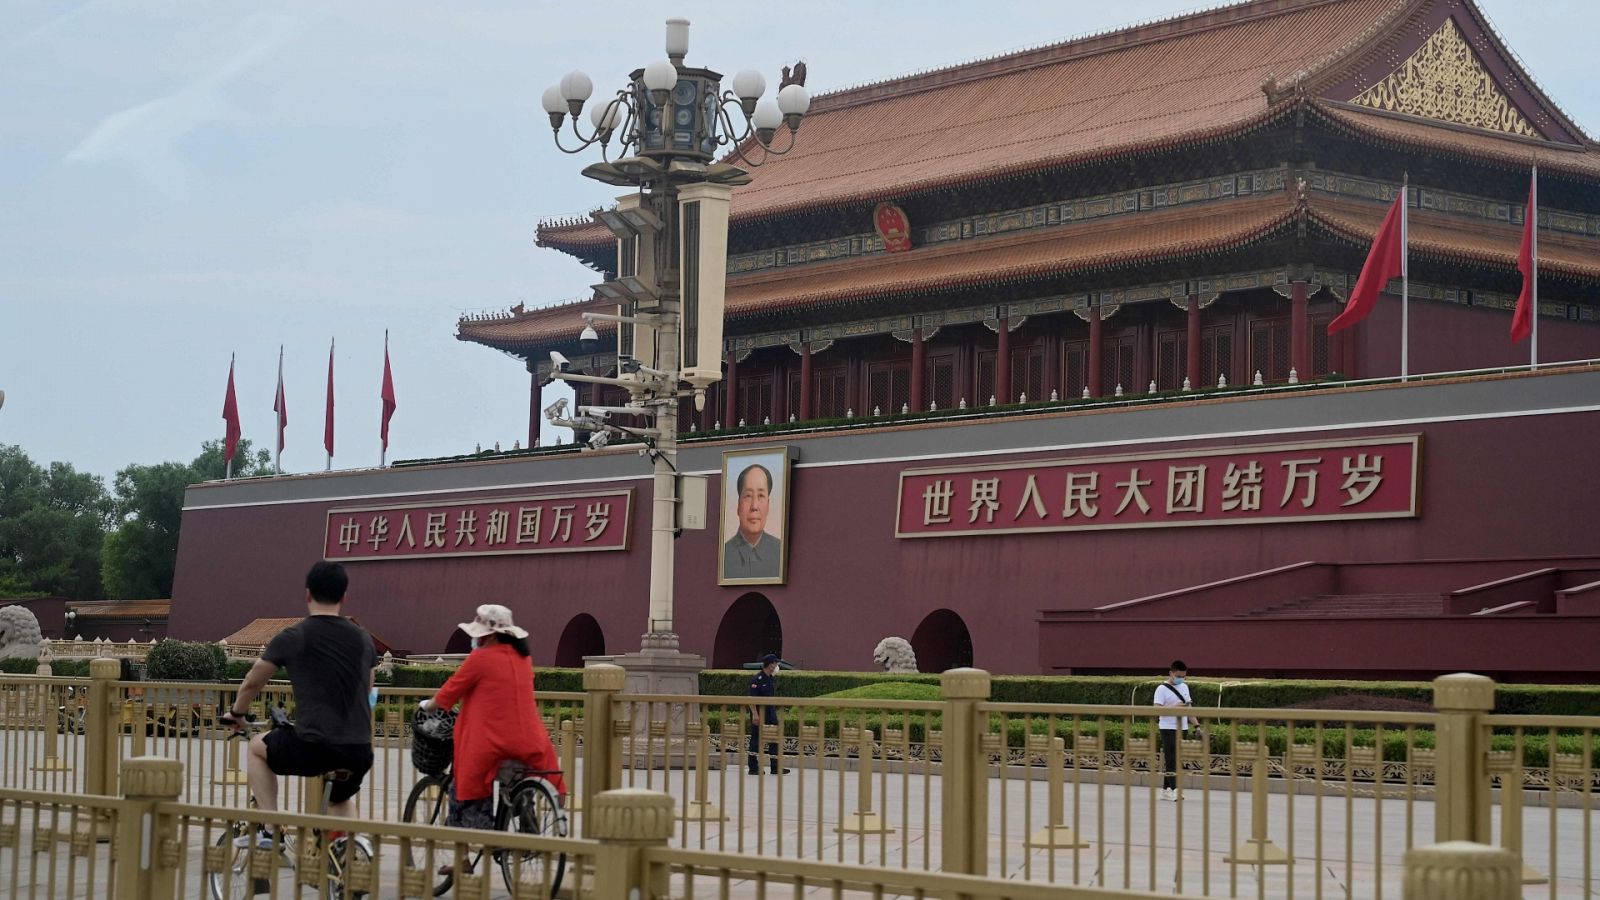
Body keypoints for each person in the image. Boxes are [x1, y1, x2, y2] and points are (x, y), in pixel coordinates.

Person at [223, 561, 376, 845]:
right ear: (344, 597)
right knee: (340, 800)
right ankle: (353, 856)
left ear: (307, 594)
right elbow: (367, 688)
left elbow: (254, 680)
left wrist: (237, 712)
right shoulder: (363, 639)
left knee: (258, 749)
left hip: (314, 745)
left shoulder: (295, 636)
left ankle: (271, 829)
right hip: (358, 748)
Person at [419, 604, 565, 835]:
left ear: (491, 634)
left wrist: (427, 705)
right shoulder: (523, 659)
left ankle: (466, 854)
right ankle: (526, 819)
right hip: (530, 744)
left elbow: (450, 691)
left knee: (463, 787)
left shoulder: (481, 658)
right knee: (514, 779)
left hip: (492, 745)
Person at [723, 464, 783, 579]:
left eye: (761, 496)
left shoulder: (780, 552)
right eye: (748, 496)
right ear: (738, 505)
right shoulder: (724, 555)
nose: (754, 506)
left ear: (768, 505)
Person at [1153, 659, 1196, 802]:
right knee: (1171, 759)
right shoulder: (1161, 689)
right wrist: (1174, 708)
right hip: (1167, 728)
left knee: (1178, 759)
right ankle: (1175, 789)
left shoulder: (1184, 687)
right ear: (1171, 673)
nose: (1181, 679)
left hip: (1182, 727)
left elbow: (1189, 709)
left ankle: (1165, 790)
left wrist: (1197, 726)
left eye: (1183, 676)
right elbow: (1156, 709)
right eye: (1178, 676)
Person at [745, 653, 788, 774]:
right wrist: (755, 714)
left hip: (770, 713)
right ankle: (753, 768)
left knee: (774, 740)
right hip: (760, 714)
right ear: (770, 665)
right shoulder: (757, 679)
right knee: (756, 741)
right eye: (775, 663)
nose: (777, 666)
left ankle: (775, 767)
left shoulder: (770, 678)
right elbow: (751, 699)